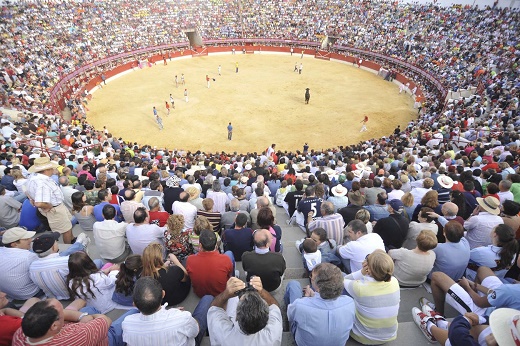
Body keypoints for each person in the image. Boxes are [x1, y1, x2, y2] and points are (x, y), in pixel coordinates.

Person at [122, 276, 212, 346]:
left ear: (134, 304)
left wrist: (172, 313)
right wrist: (177, 315)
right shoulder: (181, 318)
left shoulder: (127, 323)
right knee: (208, 298)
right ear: (163, 294)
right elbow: (195, 331)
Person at [285, 263, 355, 346]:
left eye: (312, 277)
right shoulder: (350, 302)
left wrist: (306, 299)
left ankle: (285, 325)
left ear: (318, 288)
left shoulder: (300, 305)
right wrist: (314, 296)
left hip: (303, 343)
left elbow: (290, 316)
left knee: (293, 284)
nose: (311, 278)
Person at [344, 249, 400, 344]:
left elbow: (343, 280)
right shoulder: (394, 282)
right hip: (389, 335)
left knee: (340, 277)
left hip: (362, 337)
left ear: (369, 269)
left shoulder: (360, 288)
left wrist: (362, 272)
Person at [208, 276, 283, 346]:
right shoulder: (273, 333)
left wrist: (226, 294)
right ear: (267, 317)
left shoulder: (222, 334)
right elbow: (275, 306)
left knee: (232, 299)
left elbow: (214, 308)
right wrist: (261, 292)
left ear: (236, 317)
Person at [11, 298, 118, 346]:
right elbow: (105, 320)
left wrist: (82, 316)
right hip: (103, 339)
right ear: (54, 326)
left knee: (88, 310)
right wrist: (89, 318)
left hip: (85, 328)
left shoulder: (20, 334)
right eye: (61, 311)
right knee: (129, 317)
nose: (64, 311)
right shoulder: (78, 336)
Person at [29, 231, 90, 300]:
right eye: (56, 242)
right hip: (74, 295)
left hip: (54, 297)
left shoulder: (32, 267)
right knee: (97, 262)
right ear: (53, 247)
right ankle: (82, 247)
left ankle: (79, 245)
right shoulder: (67, 261)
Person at [25, 157, 74, 244]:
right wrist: (49, 206)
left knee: (68, 225)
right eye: (52, 168)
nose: (53, 169)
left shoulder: (32, 176)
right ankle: (69, 246)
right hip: (55, 209)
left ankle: (72, 238)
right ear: (46, 169)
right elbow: (39, 203)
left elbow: (25, 189)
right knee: (66, 230)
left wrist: (31, 198)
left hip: (58, 207)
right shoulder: (42, 183)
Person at [186, 230, 234, 297]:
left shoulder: (190, 260)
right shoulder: (225, 259)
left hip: (200, 294)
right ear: (216, 245)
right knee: (229, 253)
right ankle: (234, 279)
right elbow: (229, 273)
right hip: (220, 294)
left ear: (200, 245)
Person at [0, 227, 40, 300]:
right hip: (28, 294)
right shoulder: (28, 256)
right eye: (26, 239)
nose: (30, 240)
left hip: (8, 293)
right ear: (13, 244)